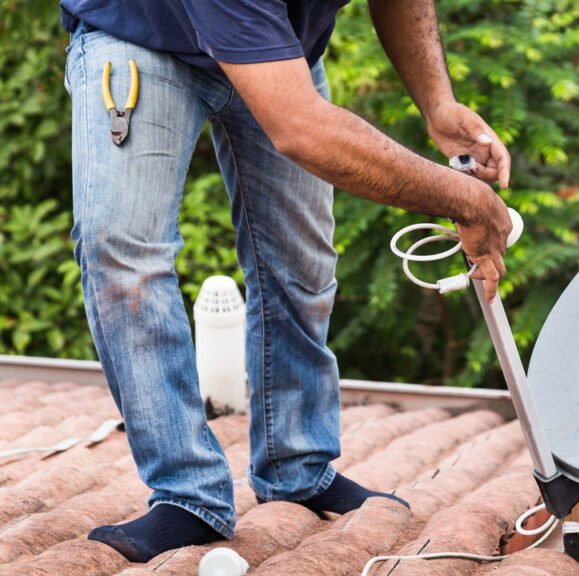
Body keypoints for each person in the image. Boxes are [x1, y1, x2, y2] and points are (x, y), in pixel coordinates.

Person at [60, 0, 513, 562]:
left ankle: (298, 467)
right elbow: (299, 127)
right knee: (125, 256)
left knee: (300, 263)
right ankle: (186, 495)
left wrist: (438, 103)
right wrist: (465, 198)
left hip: (277, 54)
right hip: (141, 37)